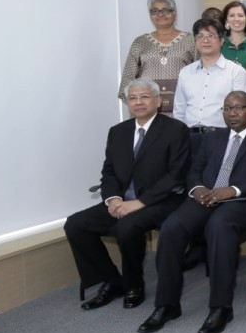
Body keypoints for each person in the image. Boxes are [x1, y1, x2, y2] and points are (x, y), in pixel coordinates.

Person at [137, 91, 246, 333]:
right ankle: (167, 304)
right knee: (172, 226)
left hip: (244, 201)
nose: (232, 113)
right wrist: (198, 188)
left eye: (238, 108)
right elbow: (193, 170)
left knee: (219, 226)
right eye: (227, 108)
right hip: (206, 197)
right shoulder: (213, 138)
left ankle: (220, 307)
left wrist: (232, 190)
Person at [64, 79, 190, 311]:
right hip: (123, 199)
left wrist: (139, 203)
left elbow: (176, 176)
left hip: (162, 200)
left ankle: (134, 285)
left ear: (158, 101)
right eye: (133, 98)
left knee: (127, 227)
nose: (138, 102)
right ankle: (112, 281)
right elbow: (109, 171)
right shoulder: (118, 132)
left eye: (144, 96)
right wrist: (113, 199)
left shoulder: (175, 130)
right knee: (75, 224)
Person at [173, 19, 246, 150]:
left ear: (221, 41)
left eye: (211, 36)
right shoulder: (185, 72)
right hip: (190, 138)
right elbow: (179, 111)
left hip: (223, 137)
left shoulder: (236, 72)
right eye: (200, 36)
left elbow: (242, 112)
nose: (205, 40)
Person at [118, 0, 195, 103]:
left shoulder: (191, 40)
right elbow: (127, 81)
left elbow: (200, 74)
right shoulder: (140, 42)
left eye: (166, 10)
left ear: (175, 13)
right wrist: (139, 105)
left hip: (182, 107)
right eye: (154, 11)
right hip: (147, 109)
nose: (160, 14)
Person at [220, 0, 246, 69]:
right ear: (226, 20)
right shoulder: (218, 44)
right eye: (232, 15)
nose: (236, 19)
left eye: (240, 15)